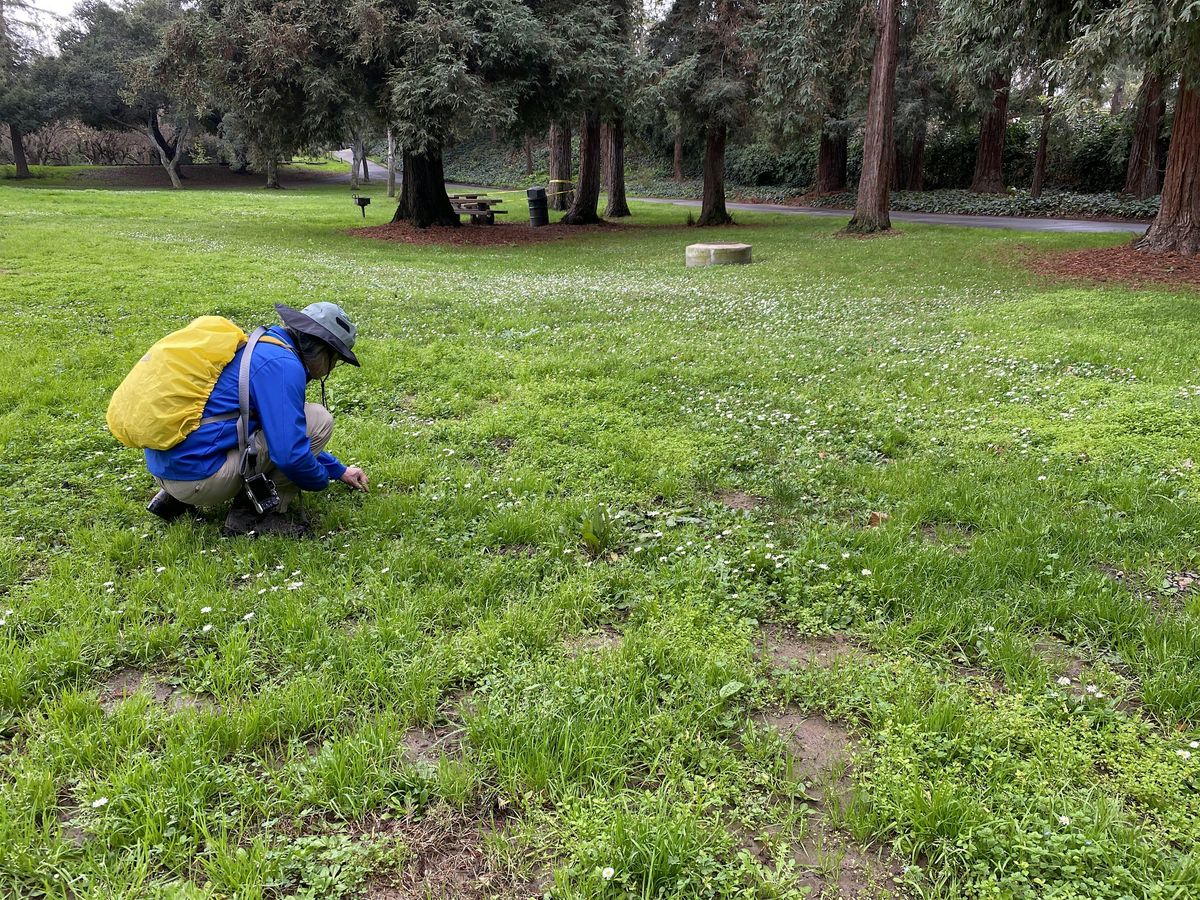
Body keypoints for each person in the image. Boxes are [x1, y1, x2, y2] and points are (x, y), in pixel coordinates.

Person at [143, 303, 369, 536]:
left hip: (166, 468)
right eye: (336, 359)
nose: (331, 367)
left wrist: (338, 470)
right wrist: (319, 480)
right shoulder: (284, 366)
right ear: (323, 350)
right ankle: (253, 516)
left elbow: (275, 432)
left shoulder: (260, 344)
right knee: (319, 419)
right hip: (196, 480)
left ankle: (173, 501)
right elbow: (289, 455)